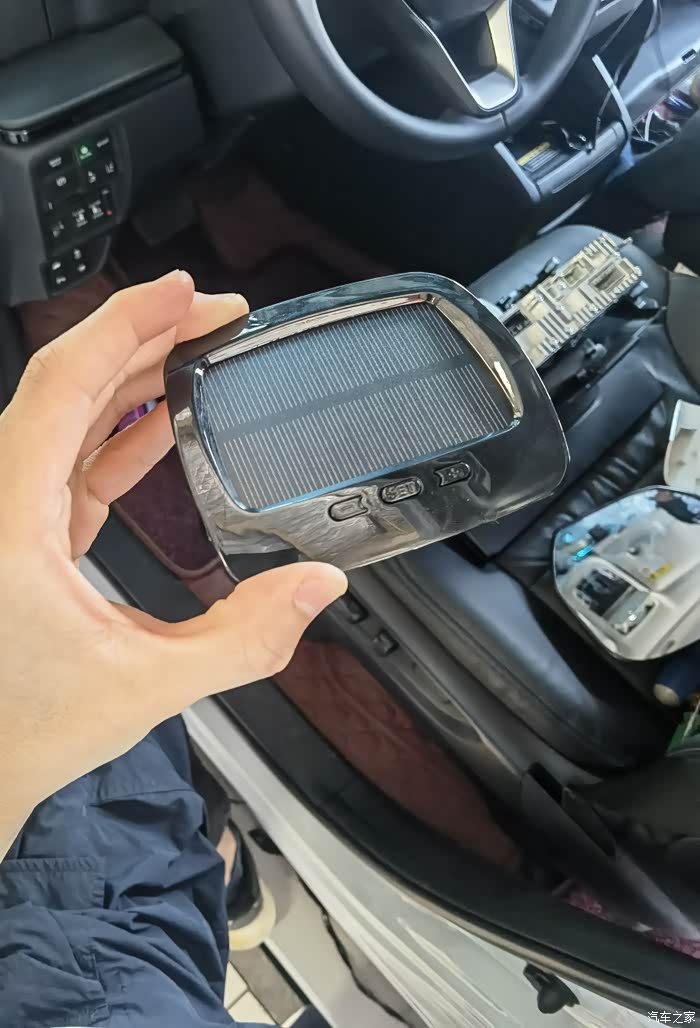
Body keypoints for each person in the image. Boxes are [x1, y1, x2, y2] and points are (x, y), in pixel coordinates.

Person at [0, 272, 348, 1027]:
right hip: (119, 948)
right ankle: (211, 879)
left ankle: (207, 877)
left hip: (87, 936)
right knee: (157, 807)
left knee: (150, 801)